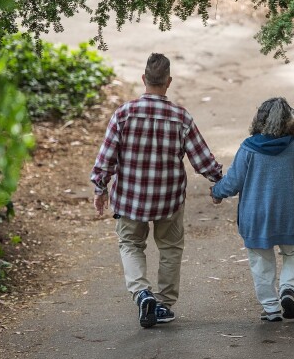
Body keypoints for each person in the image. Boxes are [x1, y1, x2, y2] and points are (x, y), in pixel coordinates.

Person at [91, 53, 223, 328]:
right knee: (170, 248)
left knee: (130, 245)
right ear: (169, 81)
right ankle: (162, 304)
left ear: (143, 79)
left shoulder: (124, 114)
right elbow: (201, 160)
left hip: (130, 199)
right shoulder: (181, 118)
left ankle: (142, 293)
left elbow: (106, 159)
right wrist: (219, 181)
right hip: (168, 200)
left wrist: (100, 187)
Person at [210, 97, 294, 322]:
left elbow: (233, 182)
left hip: (257, 217)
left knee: (261, 260)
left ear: (259, 119)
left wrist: (216, 192)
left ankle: (271, 307)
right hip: (290, 215)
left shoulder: (248, 148)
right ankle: (288, 290)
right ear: (289, 121)